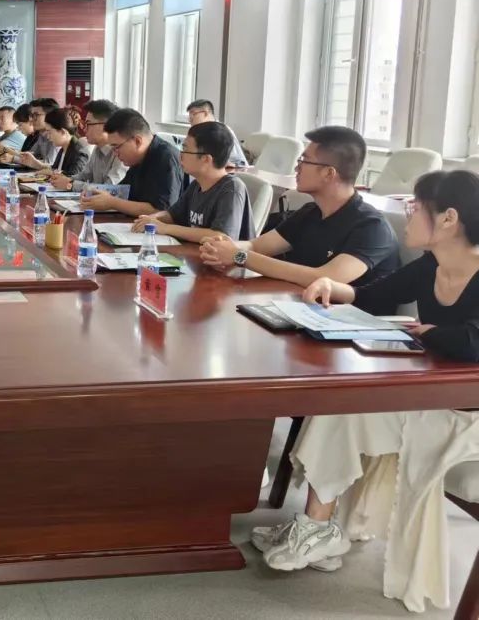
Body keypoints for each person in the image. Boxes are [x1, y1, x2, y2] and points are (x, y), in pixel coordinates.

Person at [251, 170, 479, 612]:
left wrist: (428, 332)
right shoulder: (431, 265)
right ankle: (318, 528)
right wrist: (332, 288)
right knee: (344, 406)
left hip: (468, 417)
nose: (408, 215)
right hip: (434, 396)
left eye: (416, 207)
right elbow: (373, 295)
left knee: (352, 408)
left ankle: (319, 528)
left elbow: (472, 342)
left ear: (449, 219)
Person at [200, 126, 399, 287]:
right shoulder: (310, 212)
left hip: (348, 320)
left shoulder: (371, 227)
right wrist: (223, 247)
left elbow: (324, 278)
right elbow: (257, 246)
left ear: (329, 173)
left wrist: (239, 256)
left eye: (304, 160)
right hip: (300, 307)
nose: (297, 167)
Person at [132, 121, 254, 242]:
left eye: (185, 149)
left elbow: (219, 236)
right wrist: (151, 219)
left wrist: (165, 228)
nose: (180, 155)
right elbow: (172, 215)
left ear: (206, 159)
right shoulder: (197, 185)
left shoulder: (232, 188)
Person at [79, 108, 185, 216]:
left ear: (137, 141)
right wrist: (96, 192)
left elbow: (161, 211)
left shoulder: (167, 158)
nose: (115, 154)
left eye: (116, 147)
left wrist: (112, 202)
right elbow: (123, 192)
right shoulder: (137, 158)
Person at [50, 99, 124, 192]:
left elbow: (109, 189)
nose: (84, 129)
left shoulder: (121, 152)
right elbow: (84, 176)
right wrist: (65, 179)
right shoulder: (98, 148)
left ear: (106, 126)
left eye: (88, 124)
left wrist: (71, 184)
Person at [186, 99, 247, 168]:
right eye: (189, 116)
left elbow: (238, 162)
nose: (190, 119)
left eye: (193, 114)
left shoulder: (223, 131)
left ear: (205, 113)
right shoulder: (200, 132)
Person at [33, 108, 91, 177]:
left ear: (63, 132)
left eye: (49, 132)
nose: (48, 137)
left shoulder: (80, 153)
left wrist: (52, 173)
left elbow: (73, 177)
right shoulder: (63, 149)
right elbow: (55, 169)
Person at [13, 98, 60, 167]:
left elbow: (50, 164)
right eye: (32, 115)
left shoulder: (58, 135)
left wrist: (13, 158)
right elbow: (30, 155)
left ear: (50, 115)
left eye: (36, 115)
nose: (31, 119)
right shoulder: (41, 135)